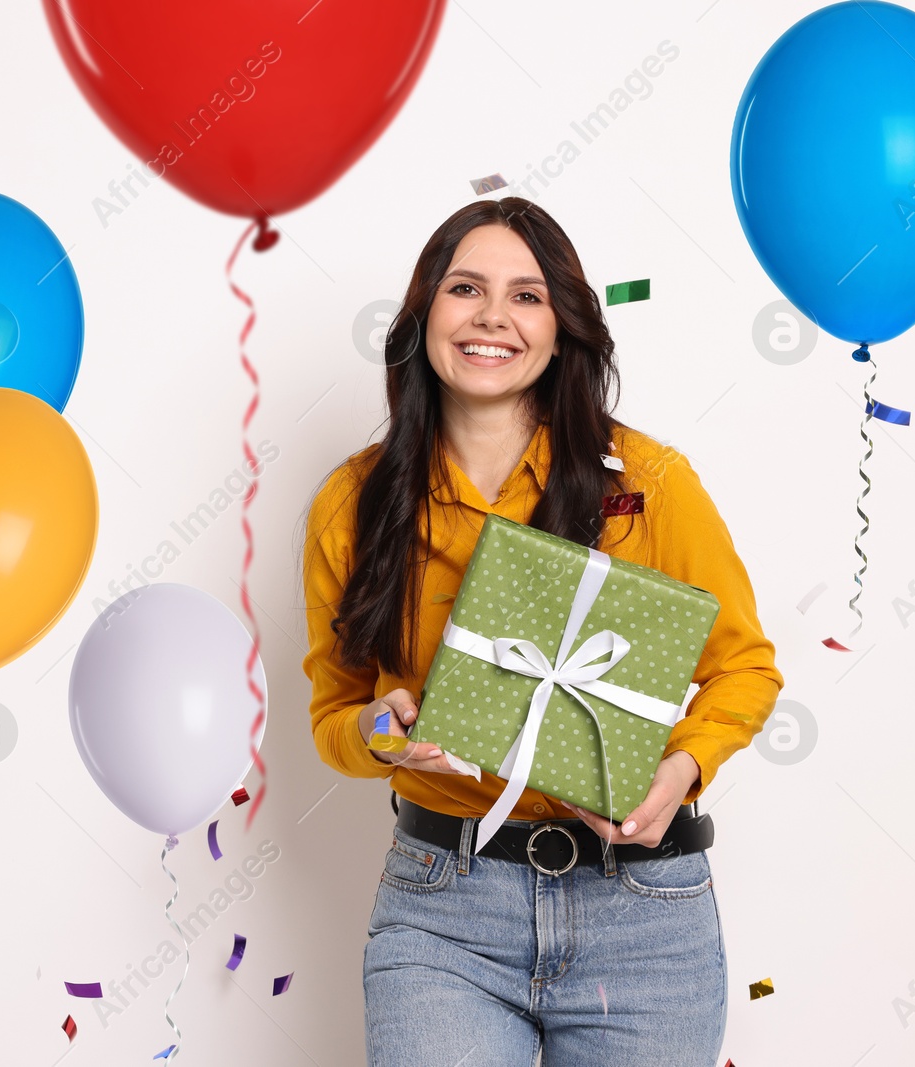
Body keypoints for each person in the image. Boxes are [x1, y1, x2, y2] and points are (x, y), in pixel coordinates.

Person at [300, 197, 783, 1066]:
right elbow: (335, 713)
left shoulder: (647, 483)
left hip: (644, 916)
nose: (492, 317)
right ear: (422, 318)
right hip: (444, 914)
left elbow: (745, 667)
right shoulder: (353, 501)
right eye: (465, 288)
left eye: (527, 296)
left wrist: (679, 770)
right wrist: (384, 734)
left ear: (563, 329)